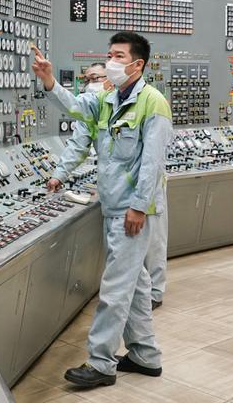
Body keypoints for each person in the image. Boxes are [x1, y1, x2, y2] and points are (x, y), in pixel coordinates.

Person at [32, 31, 172, 388]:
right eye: (109, 55)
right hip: (114, 206)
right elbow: (77, 107)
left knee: (114, 288)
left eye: (119, 56)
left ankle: (101, 363)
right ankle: (144, 355)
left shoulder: (153, 103)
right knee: (136, 285)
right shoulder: (108, 98)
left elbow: (152, 163)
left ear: (138, 64)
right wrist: (49, 81)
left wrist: (139, 207)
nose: (111, 62)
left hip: (134, 210)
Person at [60, 61, 168, 309]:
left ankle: (154, 294)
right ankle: (137, 296)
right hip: (118, 191)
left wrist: (141, 202)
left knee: (153, 243)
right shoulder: (98, 107)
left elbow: (152, 160)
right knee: (125, 254)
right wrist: (59, 174)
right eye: (86, 79)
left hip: (145, 187)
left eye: (95, 77)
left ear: (109, 79)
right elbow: (79, 143)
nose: (90, 83)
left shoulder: (148, 101)